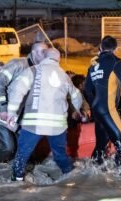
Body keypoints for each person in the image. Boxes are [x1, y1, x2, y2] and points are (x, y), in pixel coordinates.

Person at [7, 48, 83, 181]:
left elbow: (17, 90)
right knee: (60, 155)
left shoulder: (34, 70)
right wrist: (79, 111)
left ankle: (17, 181)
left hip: (34, 123)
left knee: (22, 154)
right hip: (58, 125)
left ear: (44, 57)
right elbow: (76, 95)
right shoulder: (64, 75)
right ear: (58, 59)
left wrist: (11, 113)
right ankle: (72, 179)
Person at [0, 42, 48, 163]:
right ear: (33, 53)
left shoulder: (40, 71)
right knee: (8, 148)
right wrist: (3, 109)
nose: (46, 56)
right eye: (43, 53)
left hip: (15, 116)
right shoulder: (17, 64)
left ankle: (23, 175)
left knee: (27, 149)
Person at [84, 35, 121, 166]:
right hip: (108, 109)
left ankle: (92, 172)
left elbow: (87, 90)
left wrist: (94, 105)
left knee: (100, 146)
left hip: (97, 110)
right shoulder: (116, 61)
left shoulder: (93, 66)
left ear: (101, 47)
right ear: (115, 48)